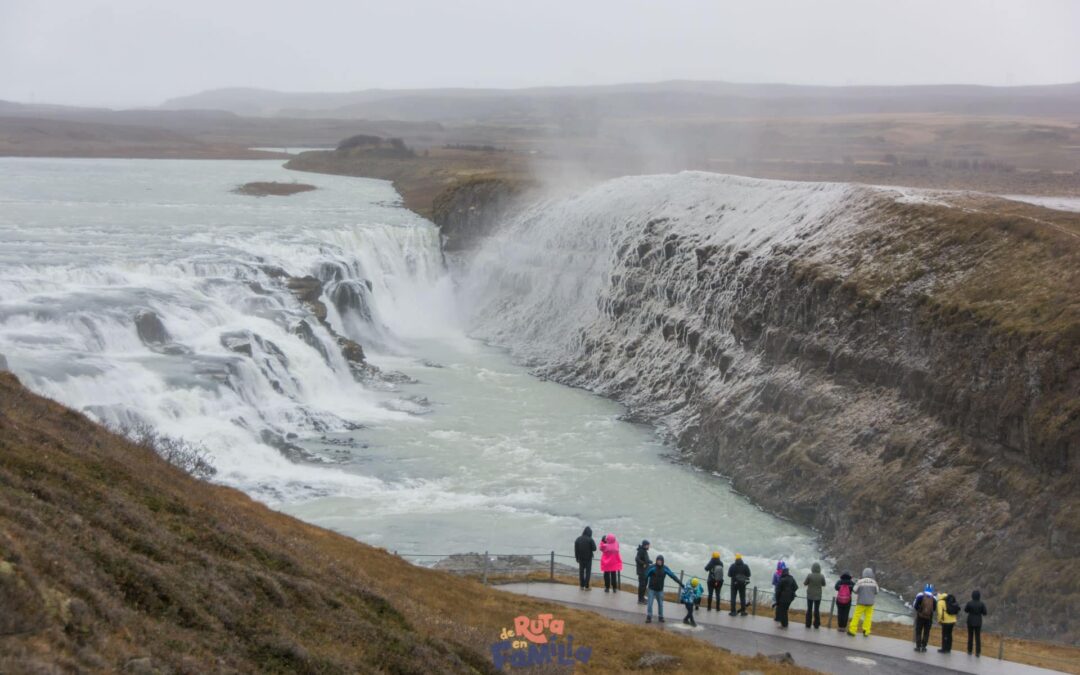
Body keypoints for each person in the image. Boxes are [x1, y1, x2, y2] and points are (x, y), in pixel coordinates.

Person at [644, 555, 683, 624]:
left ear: (662, 561)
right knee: (650, 604)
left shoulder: (665, 568)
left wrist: (681, 584)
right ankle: (649, 617)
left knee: (661, 604)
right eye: (658, 560)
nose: (659, 562)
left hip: (660, 590)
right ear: (656, 560)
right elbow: (645, 575)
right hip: (651, 589)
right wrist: (643, 585)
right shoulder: (652, 567)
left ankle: (660, 617)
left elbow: (673, 576)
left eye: (660, 560)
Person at [848, 568, 879, 637]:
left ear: (863, 573)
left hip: (861, 602)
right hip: (870, 603)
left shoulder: (860, 581)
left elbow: (854, 590)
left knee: (856, 616)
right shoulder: (874, 582)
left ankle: (852, 631)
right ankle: (866, 631)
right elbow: (877, 591)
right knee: (868, 617)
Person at [913, 583, 936, 652]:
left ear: (925, 588)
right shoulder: (934, 598)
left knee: (918, 631)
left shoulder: (920, 595)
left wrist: (919, 611)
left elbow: (915, 605)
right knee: (926, 632)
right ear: (932, 589)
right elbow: (934, 609)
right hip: (929, 618)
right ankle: (924, 647)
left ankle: (918, 646)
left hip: (920, 617)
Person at [964, 590, 988, 656]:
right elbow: (985, 613)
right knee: (977, 637)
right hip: (978, 622)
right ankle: (977, 652)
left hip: (970, 621)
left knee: (970, 636)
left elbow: (966, 610)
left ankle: (969, 650)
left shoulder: (969, 603)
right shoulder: (981, 604)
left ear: (972, 596)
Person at [804, 562, 826, 629]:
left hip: (810, 595)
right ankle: (816, 624)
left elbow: (805, 583)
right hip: (818, 595)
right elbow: (824, 584)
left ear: (812, 568)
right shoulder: (822, 576)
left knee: (809, 609)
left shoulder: (809, 575)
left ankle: (808, 624)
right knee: (816, 610)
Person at [635, 540, 652, 605]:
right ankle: (640, 600)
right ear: (645, 545)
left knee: (644, 585)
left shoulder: (644, 550)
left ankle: (642, 598)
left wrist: (649, 561)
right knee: (642, 585)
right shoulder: (641, 551)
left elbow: (645, 559)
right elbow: (637, 559)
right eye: (648, 545)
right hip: (642, 572)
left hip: (645, 571)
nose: (649, 546)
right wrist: (643, 563)